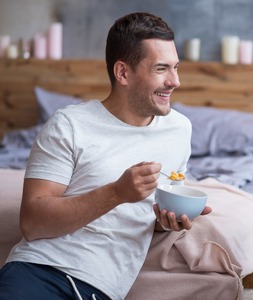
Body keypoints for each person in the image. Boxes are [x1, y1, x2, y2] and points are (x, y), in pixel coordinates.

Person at [0, 12, 211, 300]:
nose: (175, 81)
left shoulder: (179, 129)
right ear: (123, 72)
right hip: (38, 273)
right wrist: (116, 192)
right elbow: (33, 223)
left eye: (176, 67)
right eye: (161, 69)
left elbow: (154, 212)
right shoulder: (69, 125)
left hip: (102, 289)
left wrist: (169, 220)